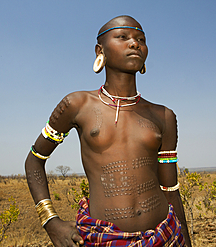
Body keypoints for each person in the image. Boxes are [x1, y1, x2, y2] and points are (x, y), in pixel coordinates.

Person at [25, 15, 192, 247]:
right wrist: (50, 221)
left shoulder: (164, 116)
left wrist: (185, 241)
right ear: (99, 51)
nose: (134, 43)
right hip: (102, 238)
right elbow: (34, 161)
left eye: (141, 39)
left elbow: (170, 189)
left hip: (164, 237)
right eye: (123, 37)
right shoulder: (77, 105)